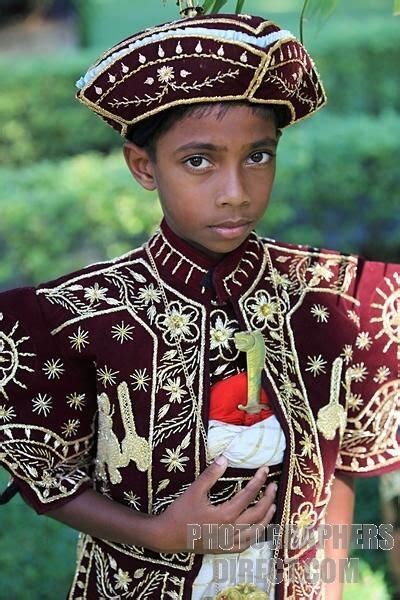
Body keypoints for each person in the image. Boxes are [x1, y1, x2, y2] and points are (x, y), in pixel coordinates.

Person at [0, 5, 399, 599]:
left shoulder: (337, 298)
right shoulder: (77, 315)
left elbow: (339, 468)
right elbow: (54, 480)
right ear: (144, 166)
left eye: (258, 156)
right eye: (199, 161)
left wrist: (325, 586)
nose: (235, 193)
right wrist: (156, 534)